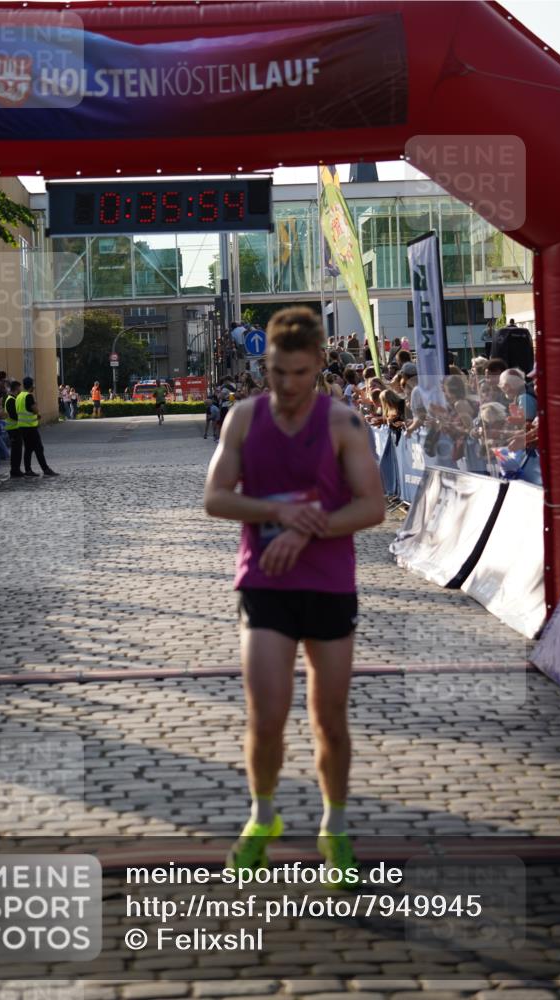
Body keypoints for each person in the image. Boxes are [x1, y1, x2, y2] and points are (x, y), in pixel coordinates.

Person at [204, 306, 385, 883]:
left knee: (329, 717)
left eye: (300, 373)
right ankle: (262, 817)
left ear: (319, 367)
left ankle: (335, 825)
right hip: (265, 585)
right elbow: (215, 497)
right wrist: (278, 513)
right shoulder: (242, 418)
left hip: (329, 585)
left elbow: (372, 506)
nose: (287, 386)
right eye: (277, 372)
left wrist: (306, 528)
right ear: (266, 365)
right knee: (267, 714)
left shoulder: (343, 423)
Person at [16, 376, 58, 478]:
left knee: (28, 449)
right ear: (31, 386)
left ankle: (28, 470)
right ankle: (46, 469)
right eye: (33, 385)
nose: (34, 387)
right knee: (39, 448)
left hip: (22, 426)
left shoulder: (19, 396)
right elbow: (35, 409)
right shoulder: (28, 396)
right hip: (30, 427)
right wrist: (36, 408)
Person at [4, 380, 24, 478]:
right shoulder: (11, 400)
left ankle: (17, 469)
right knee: (16, 451)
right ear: (16, 388)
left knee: (18, 450)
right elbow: (13, 415)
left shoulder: (13, 399)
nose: (20, 390)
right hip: (13, 429)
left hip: (16, 428)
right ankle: (15, 470)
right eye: (19, 388)